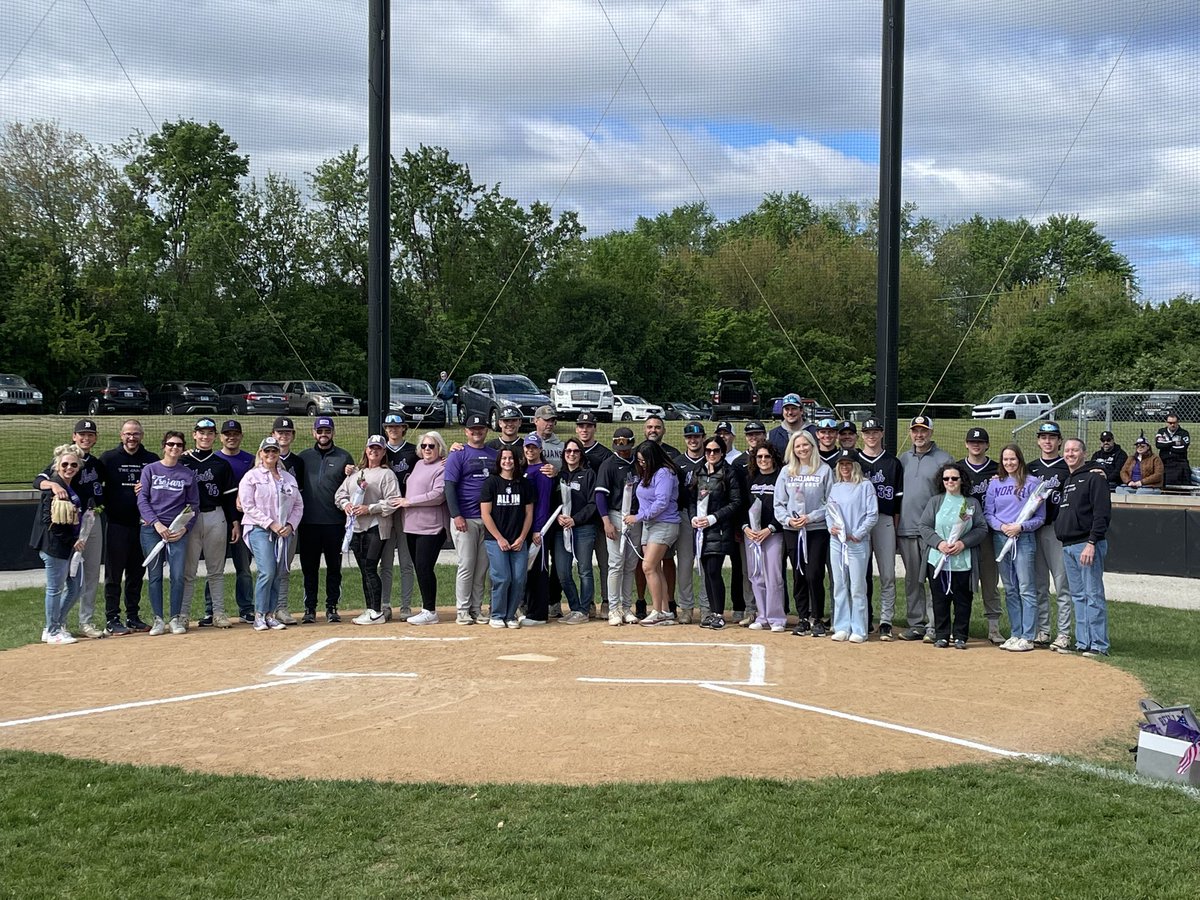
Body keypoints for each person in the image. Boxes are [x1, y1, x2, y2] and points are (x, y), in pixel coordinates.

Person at [33, 419, 107, 639]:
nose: (86, 438)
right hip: (65, 529)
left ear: (95, 438)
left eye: (90, 434)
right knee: (62, 581)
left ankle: (85, 621)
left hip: (88, 521)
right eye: (81, 434)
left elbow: (106, 488)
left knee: (87, 575)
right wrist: (53, 485)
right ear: (74, 436)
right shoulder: (64, 459)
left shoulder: (96, 464)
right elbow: (38, 480)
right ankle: (55, 626)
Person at [918, 462, 988, 649]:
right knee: (940, 599)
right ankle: (941, 635)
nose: (950, 481)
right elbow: (924, 526)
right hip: (938, 560)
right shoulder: (936, 501)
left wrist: (963, 543)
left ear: (961, 480)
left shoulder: (970, 503)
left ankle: (960, 636)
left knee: (962, 600)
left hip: (962, 561)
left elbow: (981, 528)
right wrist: (939, 543)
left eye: (954, 478)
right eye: (946, 478)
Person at [238, 436, 304, 632]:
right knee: (267, 571)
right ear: (261, 453)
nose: (271, 454)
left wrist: (290, 525)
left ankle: (270, 614)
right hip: (259, 529)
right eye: (267, 451)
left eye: (274, 451)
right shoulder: (251, 477)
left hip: (283, 531)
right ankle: (259, 614)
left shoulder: (288, 478)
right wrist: (271, 524)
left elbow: (298, 505)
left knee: (278, 572)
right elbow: (248, 506)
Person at [137, 430, 200, 636]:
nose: (174, 448)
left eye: (179, 445)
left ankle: (175, 618)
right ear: (164, 446)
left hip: (176, 531)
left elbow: (194, 505)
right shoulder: (150, 470)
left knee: (177, 575)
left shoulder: (187, 474)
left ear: (183, 448)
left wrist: (184, 529)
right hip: (152, 530)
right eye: (171, 444)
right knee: (155, 575)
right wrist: (156, 524)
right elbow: (142, 500)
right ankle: (158, 619)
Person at [896, 415, 952, 641]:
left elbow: (950, 494)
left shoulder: (943, 459)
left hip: (933, 531)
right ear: (910, 433)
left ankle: (935, 625)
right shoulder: (903, 459)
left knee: (935, 580)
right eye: (915, 430)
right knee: (913, 580)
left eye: (923, 431)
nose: (919, 435)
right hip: (907, 528)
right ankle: (916, 623)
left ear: (931, 433)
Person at [985, 444, 1046, 652]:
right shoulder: (995, 483)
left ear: (1019, 460)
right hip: (1001, 538)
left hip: (1024, 538)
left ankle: (1028, 636)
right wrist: (1002, 527)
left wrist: (1021, 527)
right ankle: (1015, 633)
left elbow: (1040, 517)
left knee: (1026, 588)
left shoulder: (1032, 483)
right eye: (1005, 459)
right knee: (1010, 589)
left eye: (1012, 459)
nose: (1009, 463)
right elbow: (988, 513)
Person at [100, 419, 158, 634]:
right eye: (127, 434)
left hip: (142, 526)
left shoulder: (151, 459)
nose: (131, 438)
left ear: (142, 435)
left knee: (136, 573)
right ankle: (112, 618)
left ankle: (133, 616)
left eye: (135, 434)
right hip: (117, 524)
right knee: (114, 574)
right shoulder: (108, 459)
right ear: (121, 435)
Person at [335, 435, 401, 626]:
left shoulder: (387, 474)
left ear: (383, 452)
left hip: (375, 526)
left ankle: (377, 611)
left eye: (378, 448)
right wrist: (346, 504)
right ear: (366, 450)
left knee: (370, 567)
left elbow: (393, 501)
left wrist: (370, 508)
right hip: (356, 528)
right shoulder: (356, 473)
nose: (374, 451)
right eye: (371, 448)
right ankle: (371, 608)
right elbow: (339, 495)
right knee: (365, 570)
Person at [774, 429, 834, 636]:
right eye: (798, 446)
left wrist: (811, 517)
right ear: (793, 449)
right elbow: (779, 503)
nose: (802, 449)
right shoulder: (786, 471)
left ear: (812, 446)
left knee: (814, 574)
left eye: (805, 444)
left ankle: (817, 618)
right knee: (799, 575)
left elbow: (831, 503)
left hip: (816, 530)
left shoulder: (824, 470)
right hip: (793, 530)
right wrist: (788, 520)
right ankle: (802, 618)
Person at [1056, 438, 1112, 657]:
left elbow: (1102, 514)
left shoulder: (1094, 478)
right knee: (1078, 596)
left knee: (1092, 594)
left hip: (1086, 544)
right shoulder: (1067, 480)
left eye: (1075, 450)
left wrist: (1092, 542)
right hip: (1068, 545)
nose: (1070, 454)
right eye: (1067, 450)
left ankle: (1098, 644)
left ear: (1084, 453)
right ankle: (1083, 642)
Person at [298, 416, 356, 623]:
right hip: (308, 523)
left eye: (327, 431)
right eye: (320, 431)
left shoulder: (343, 457)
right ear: (314, 433)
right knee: (309, 569)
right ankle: (309, 608)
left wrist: (353, 472)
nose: (324, 435)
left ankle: (332, 607)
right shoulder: (303, 457)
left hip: (334, 523)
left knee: (334, 568)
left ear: (333, 433)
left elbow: (354, 486)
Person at [180, 418, 237, 629]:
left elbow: (229, 498)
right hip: (189, 517)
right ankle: (183, 615)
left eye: (210, 433)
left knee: (216, 570)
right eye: (201, 432)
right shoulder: (182, 461)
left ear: (215, 436)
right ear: (194, 435)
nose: (205, 436)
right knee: (188, 571)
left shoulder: (221, 464)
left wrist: (234, 522)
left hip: (216, 515)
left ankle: (218, 613)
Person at [30, 444, 88, 644]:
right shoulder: (54, 486)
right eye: (65, 464)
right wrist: (73, 541)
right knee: (55, 589)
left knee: (76, 587)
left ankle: (54, 625)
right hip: (55, 546)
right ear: (57, 466)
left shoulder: (69, 486)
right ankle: (53, 631)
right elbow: (50, 522)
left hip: (68, 546)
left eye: (73, 465)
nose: (69, 468)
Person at [444, 414, 499, 625]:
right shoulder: (458, 454)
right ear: (466, 431)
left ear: (486, 430)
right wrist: (456, 515)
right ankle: (462, 610)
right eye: (473, 429)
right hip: (465, 518)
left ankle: (476, 609)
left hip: (489, 519)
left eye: (481, 429)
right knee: (467, 565)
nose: (477, 432)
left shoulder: (494, 454)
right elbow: (449, 487)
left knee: (482, 568)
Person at [687, 436, 745, 630]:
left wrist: (714, 518)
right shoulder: (699, 471)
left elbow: (736, 502)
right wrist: (693, 517)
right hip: (701, 530)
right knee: (707, 573)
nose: (712, 454)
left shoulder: (729, 472)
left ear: (722, 452)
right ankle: (713, 613)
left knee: (713, 570)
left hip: (719, 529)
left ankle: (719, 614)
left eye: (716, 450)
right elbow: (691, 499)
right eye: (708, 451)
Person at [394, 431, 450, 626]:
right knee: (419, 567)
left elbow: (438, 495)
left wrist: (409, 501)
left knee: (425, 567)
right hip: (411, 525)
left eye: (431, 446)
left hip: (432, 527)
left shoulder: (443, 466)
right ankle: (427, 608)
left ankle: (430, 611)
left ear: (439, 448)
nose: (427, 449)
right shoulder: (418, 464)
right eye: (424, 446)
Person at [625, 440, 681, 626]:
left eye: (644, 461)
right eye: (640, 461)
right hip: (649, 525)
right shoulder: (648, 473)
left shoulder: (664, 473)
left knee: (648, 566)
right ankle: (665, 611)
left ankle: (657, 611)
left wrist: (638, 517)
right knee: (654, 567)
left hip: (664, 523)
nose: (642, 464)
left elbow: (662, 502)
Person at [1028, 421, 1073, 650]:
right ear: (1038, 441)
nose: (1048, 441)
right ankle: (1043, 630)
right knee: (1039, 584)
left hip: (1056, 530)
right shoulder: (1030, 468)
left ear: (1059, 441)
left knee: (1062, 584)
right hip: (1032, 529)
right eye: (1044, 437)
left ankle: (1064, 633)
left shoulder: (1067, 466)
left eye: (1052, 437)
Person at [857, 418, 903, 641]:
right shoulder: (855, 461)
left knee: (887, 574)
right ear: (862, 435)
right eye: (867, 432)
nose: (871, 436)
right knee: (859, 574)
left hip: (884, 521)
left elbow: (898, 501)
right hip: (859, 522)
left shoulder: (893, 463)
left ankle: (886, 621)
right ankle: (862, 618)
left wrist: (895, 528)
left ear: (882, 433)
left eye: (875, 432)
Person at [826, 450, 878, 643]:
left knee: (857, 587)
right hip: (837, 543)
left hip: (856, 543)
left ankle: (859, 629)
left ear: (855, 465)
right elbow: (829, 512)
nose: (845, 467)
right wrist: (831, 527)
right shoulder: (835, 487)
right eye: (842, 464)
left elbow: (872, 514)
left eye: (848, 464)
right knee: (840, 585)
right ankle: (841, 626)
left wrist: (858, 533)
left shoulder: (865, 486)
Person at [480, 446, 534, 628]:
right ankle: (497, 614)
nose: (507, 461)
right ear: (499, 461)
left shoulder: (524, 484)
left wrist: (522, 538)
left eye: (511, 458)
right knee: (502, 577)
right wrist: (499, 538)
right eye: (504, 458)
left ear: (516, 461)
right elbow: (485, 514)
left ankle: (510, 615)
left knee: (518, 578)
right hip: (496, 539)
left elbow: (529, 514)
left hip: (518, 539)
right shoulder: (491, 482)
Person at [958, 426, 1003, 645]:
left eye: (980, 442)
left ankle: (994, 628)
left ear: (987, 445)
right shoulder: (957, 468)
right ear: (966, 444)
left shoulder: (997, 469)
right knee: (961, 581)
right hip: (963, 533)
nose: (976, 445)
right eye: (972, 442)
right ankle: (958, 627)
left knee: (989, 581)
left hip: (988, 533)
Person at [596, 427, 641, 626]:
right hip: (616, 515)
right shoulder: (609, 464)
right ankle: (614, 608)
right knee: (616, 564)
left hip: (636, 516)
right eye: (619, 446)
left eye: (626, 447)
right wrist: (606, 521)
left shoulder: (638, 462)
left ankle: (626, 607)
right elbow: (600, 495)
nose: (622, 451)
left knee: (630, 565)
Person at [212, 419, 256, 624]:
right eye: (227, 434)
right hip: (218, 519)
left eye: (235, 434)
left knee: (244, 569)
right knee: (215, 568)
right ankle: (210, 610)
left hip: (244, 521)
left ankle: (246, 608)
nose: (231, 437)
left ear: (241, 436)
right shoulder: (213, 459)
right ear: (220, 437)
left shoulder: (250, 460)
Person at [553, 437, 599, 624]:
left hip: (583, 528)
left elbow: (593, 503)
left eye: (575, 451)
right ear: (564, 454)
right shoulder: (559, 476)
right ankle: (575, 607)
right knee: (562, 572)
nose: (571, 454)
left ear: (581, 454)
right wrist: (557, 517)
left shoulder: (588, 474)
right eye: (568, 451)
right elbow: (551, 502)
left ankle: (584, 610)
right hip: (561, 530)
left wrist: (576, 520)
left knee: (584, 570)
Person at [744, 442, 786, 632]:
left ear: (773, 458)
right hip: (752, 535)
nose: (763, 460)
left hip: (772, 533)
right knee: (756, 575)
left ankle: (776, 618)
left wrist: (770, 528)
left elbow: (785, 506)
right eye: (759, 456)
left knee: (773, 576)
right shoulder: (750, 478)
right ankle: (762, 616)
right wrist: (745, 528)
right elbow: (741, 505)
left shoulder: (780, 477)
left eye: (767, 456)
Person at [381, 413, 418, 622]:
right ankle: (385, 605)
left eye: (397, 426)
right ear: (385, 429)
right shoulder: (379, 450)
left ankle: (405, 606)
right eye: (389, 427)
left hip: (406, 511)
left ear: (404, 428)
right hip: (386, 512)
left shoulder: (414, 451)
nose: (393, 430)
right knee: (385, 562)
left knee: (406, 562)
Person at [672, 422, 710, 623]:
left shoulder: (711, 459)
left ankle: (706, 607)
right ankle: (686, 608)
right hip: (685, 515)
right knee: (685, 563)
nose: (693, 440)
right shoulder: (677, 463)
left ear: (703, 437)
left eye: (697, 436)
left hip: (706, 517)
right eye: (689, 437)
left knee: (705, 563)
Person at [270, 416, 304, 625]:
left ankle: (281, 607)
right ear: (273, 434)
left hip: (289, 524)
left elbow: (299, 498)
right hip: (266, 526)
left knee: (284, 567)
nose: (283, 435)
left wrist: (291, 524)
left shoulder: (298, 462)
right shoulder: (261, 461)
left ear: (293, 435)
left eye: (287, 432)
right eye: (280, 432)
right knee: (267, 569)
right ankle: (265, 609)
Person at [520, 433, 556, 626]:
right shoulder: (523, 469)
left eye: (534, 447)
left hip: (538, 530)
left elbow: (543, 504)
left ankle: (539, 614)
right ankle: (529, 608)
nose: (530, 450)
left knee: (538, 570)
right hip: (525, 529)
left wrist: (538, 530)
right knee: (528, 570)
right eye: (528, 447)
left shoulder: (543, 471)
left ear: (540, 449)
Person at [1155, 412, 1191, 487]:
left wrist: (1166, 445)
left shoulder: (1184, 433)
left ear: (1178, 422)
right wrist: (1174, 443)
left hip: (1180, 461)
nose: (1172, 425)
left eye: (1174, 423)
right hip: (1165, 461)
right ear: (1166, 422)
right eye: (1170, 423)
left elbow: (1182, 448)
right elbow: (1158, 445)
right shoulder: (1161, 431)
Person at [533, 406, 564, 472]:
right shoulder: (527, 444)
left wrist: (556, 473)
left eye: (552, 420)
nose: (550, 424)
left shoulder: (562, 446)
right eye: (546, 420)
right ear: (536, 421)